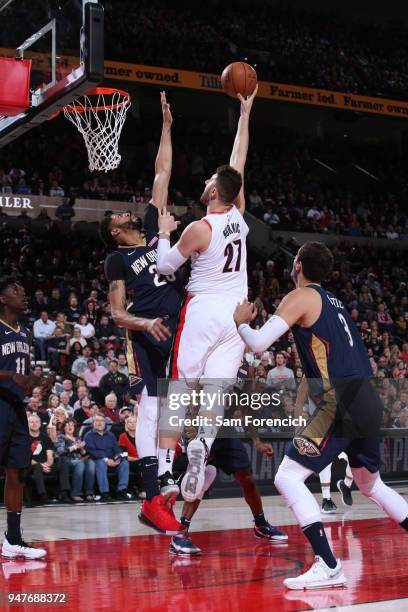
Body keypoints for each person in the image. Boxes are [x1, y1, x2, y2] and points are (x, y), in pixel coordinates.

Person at [233, 241, 408, 589]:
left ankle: (328, 565)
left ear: (298, 265)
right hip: (367, 397)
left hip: (340, 399)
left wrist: (241, 324)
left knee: (287, 477)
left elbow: (257, 343)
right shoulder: (337, 303)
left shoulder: (301, 296)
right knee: (370, 483)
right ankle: (328, 564)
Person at [156, 86, 258, 503]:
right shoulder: (238, 214)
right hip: (237, 315)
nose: (203, 182)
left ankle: (164, 474)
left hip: (204, 310)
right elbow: (239, 162)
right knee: (215, 391)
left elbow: (165, 267)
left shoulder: (201, 228)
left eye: (208, 181)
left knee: (179, 386)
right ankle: (201, 445)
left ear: (215, 191)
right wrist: (245, 115)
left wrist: (164, 234)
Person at [100, 92, 183, 534]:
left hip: (177, 330)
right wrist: (144, 322)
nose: (126, 208)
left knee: (177, 402)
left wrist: (166, 128)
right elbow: (116, 313)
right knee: (152, 404)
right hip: (144, 336)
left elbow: (162, 172)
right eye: (118, 213)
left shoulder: (154, 230)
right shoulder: (117, 260)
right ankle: (154, 485)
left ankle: (168, 471)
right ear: (115, 229)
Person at [170, 436, 287, 555]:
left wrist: (257, 441)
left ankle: (261, 524)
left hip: (226, 434)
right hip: (204, 431)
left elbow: (247, 416)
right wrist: (192, 433)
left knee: (248, 479)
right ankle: (180, 533)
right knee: (207, 473)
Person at [0, 278, 47, 559]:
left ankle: (13, 539)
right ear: (3, 299)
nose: (23, 295)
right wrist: (10, 376)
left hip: (16, 408)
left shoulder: (26, 333)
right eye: (16, 291)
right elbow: (12, 373)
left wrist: (39, 382)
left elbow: (25, 373)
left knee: (17, 472)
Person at [84, 414, 129, 501]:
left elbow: (117, 449)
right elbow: (92, 451)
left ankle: (122, 490)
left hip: (112, 460)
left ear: (105, 423)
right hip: (98, 460)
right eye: (97, 421)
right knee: (101, 463)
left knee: (125, 463)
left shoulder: (110, 435)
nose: (100, 423)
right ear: (93, 423)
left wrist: (117, 458)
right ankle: (104, 492)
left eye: (102, 421)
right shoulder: (88, 435)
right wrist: (106, 459)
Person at [55, 418, 95, 502]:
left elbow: (84, 454)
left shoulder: (78, 438)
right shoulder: (61, 437)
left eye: (72, 425)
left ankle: (89, 493)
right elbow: (60, 451)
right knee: (79, 463)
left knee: (91, 463)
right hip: (66, 462)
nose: (70, 426)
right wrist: (75, 447)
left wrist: (82, 449)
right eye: (67, 425)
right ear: (64, 427)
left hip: (79, 460)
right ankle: (76, 493)